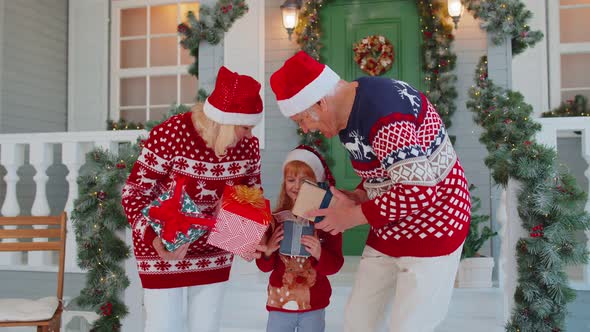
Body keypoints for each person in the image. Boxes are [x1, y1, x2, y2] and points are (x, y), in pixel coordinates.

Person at [269, 51, 471, 332]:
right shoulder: (349, 116)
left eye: (302, 120)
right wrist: (358, 195)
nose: (306, 129)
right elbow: (387, 171)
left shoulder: (384, 112)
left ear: (320, 102)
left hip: (435, 225)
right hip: (391, 227)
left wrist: (352, 216)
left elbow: (420, 190)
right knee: (358, 320)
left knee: (409, 325)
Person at [121, 66, 264, 332]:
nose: (250, 135)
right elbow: (134, 193)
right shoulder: (171, 134)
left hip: (213, 252)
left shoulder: (247, 147)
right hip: (162, 249)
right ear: (225, 122)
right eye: (245, 127)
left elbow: (250, 196)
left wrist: (248, 240)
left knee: (206, 326)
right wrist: (154, 240)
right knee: (165, 326)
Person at [256, 145, 343, 332]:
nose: (296, 186)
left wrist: (320, 253)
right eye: (290, 180)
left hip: (314, 303)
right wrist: (268, 251)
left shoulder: (328, 222)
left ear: (317, 183)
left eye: (304, 180)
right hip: (279, 301)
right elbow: (264, 267)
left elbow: (335, 266)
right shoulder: (276, 219)